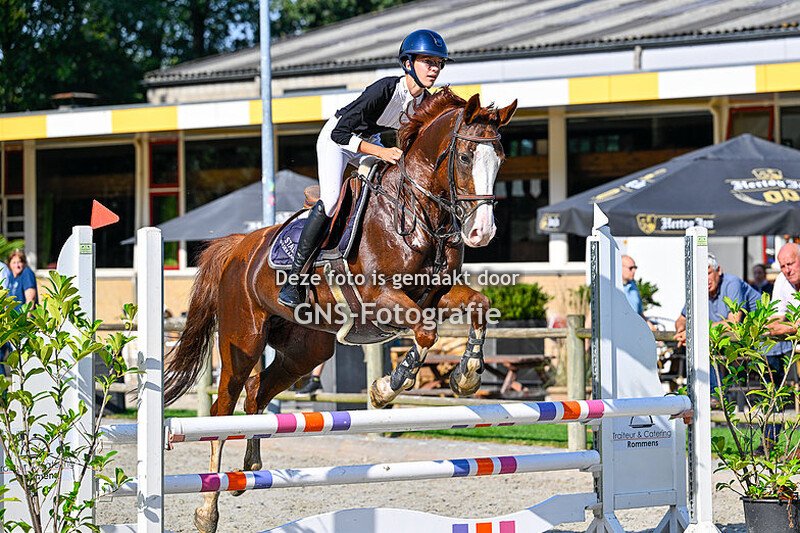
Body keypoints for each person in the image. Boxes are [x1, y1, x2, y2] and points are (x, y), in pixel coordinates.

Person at [278, 29, 449, 309]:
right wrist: (381, 152)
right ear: (408, 63)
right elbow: (340, 134)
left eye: (439, 63)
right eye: (428, 61)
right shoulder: (385, 89)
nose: (435, 69)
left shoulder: (426, 103)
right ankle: (294, 280)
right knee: (331, 200)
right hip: (337, 139)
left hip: (369, 142)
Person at [674, 252, 763, 396]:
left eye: (708, 273)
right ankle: (715, 396)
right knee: (703, 348)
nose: (705, 279)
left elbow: (734, 323)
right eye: (701, 275)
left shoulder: (732, 284)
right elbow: (681, 319)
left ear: (719, 270)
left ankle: (718, 396)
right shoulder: (699, 289)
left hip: (763, 342)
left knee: (706, 347)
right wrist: (681, 330)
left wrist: (693, 332)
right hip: (729, 345)